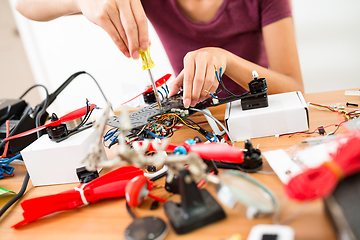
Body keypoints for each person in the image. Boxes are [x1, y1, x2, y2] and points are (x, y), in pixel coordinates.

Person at [15, 0, 303, 108]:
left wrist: (223, 58)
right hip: (196, 121)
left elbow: (294, 88)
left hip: (266, 114)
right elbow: (24, 5)